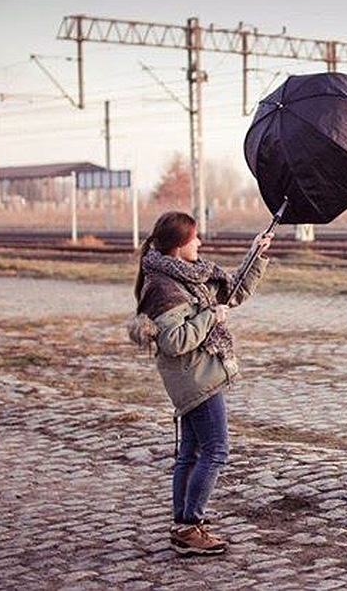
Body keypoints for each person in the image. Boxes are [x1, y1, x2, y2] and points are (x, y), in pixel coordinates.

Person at [128, 211, 272, 556]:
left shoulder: (189, 275)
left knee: (190, 454)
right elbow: (175, 341)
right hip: (194, 379)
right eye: (194, 238)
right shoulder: (164, 287)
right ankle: (191, 525)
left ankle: (184, 526)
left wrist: (256, 254)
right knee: (217, 450)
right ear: (179, 247)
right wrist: (210, 316)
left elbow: (232, 293)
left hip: (199, 374)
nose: (201, 243)